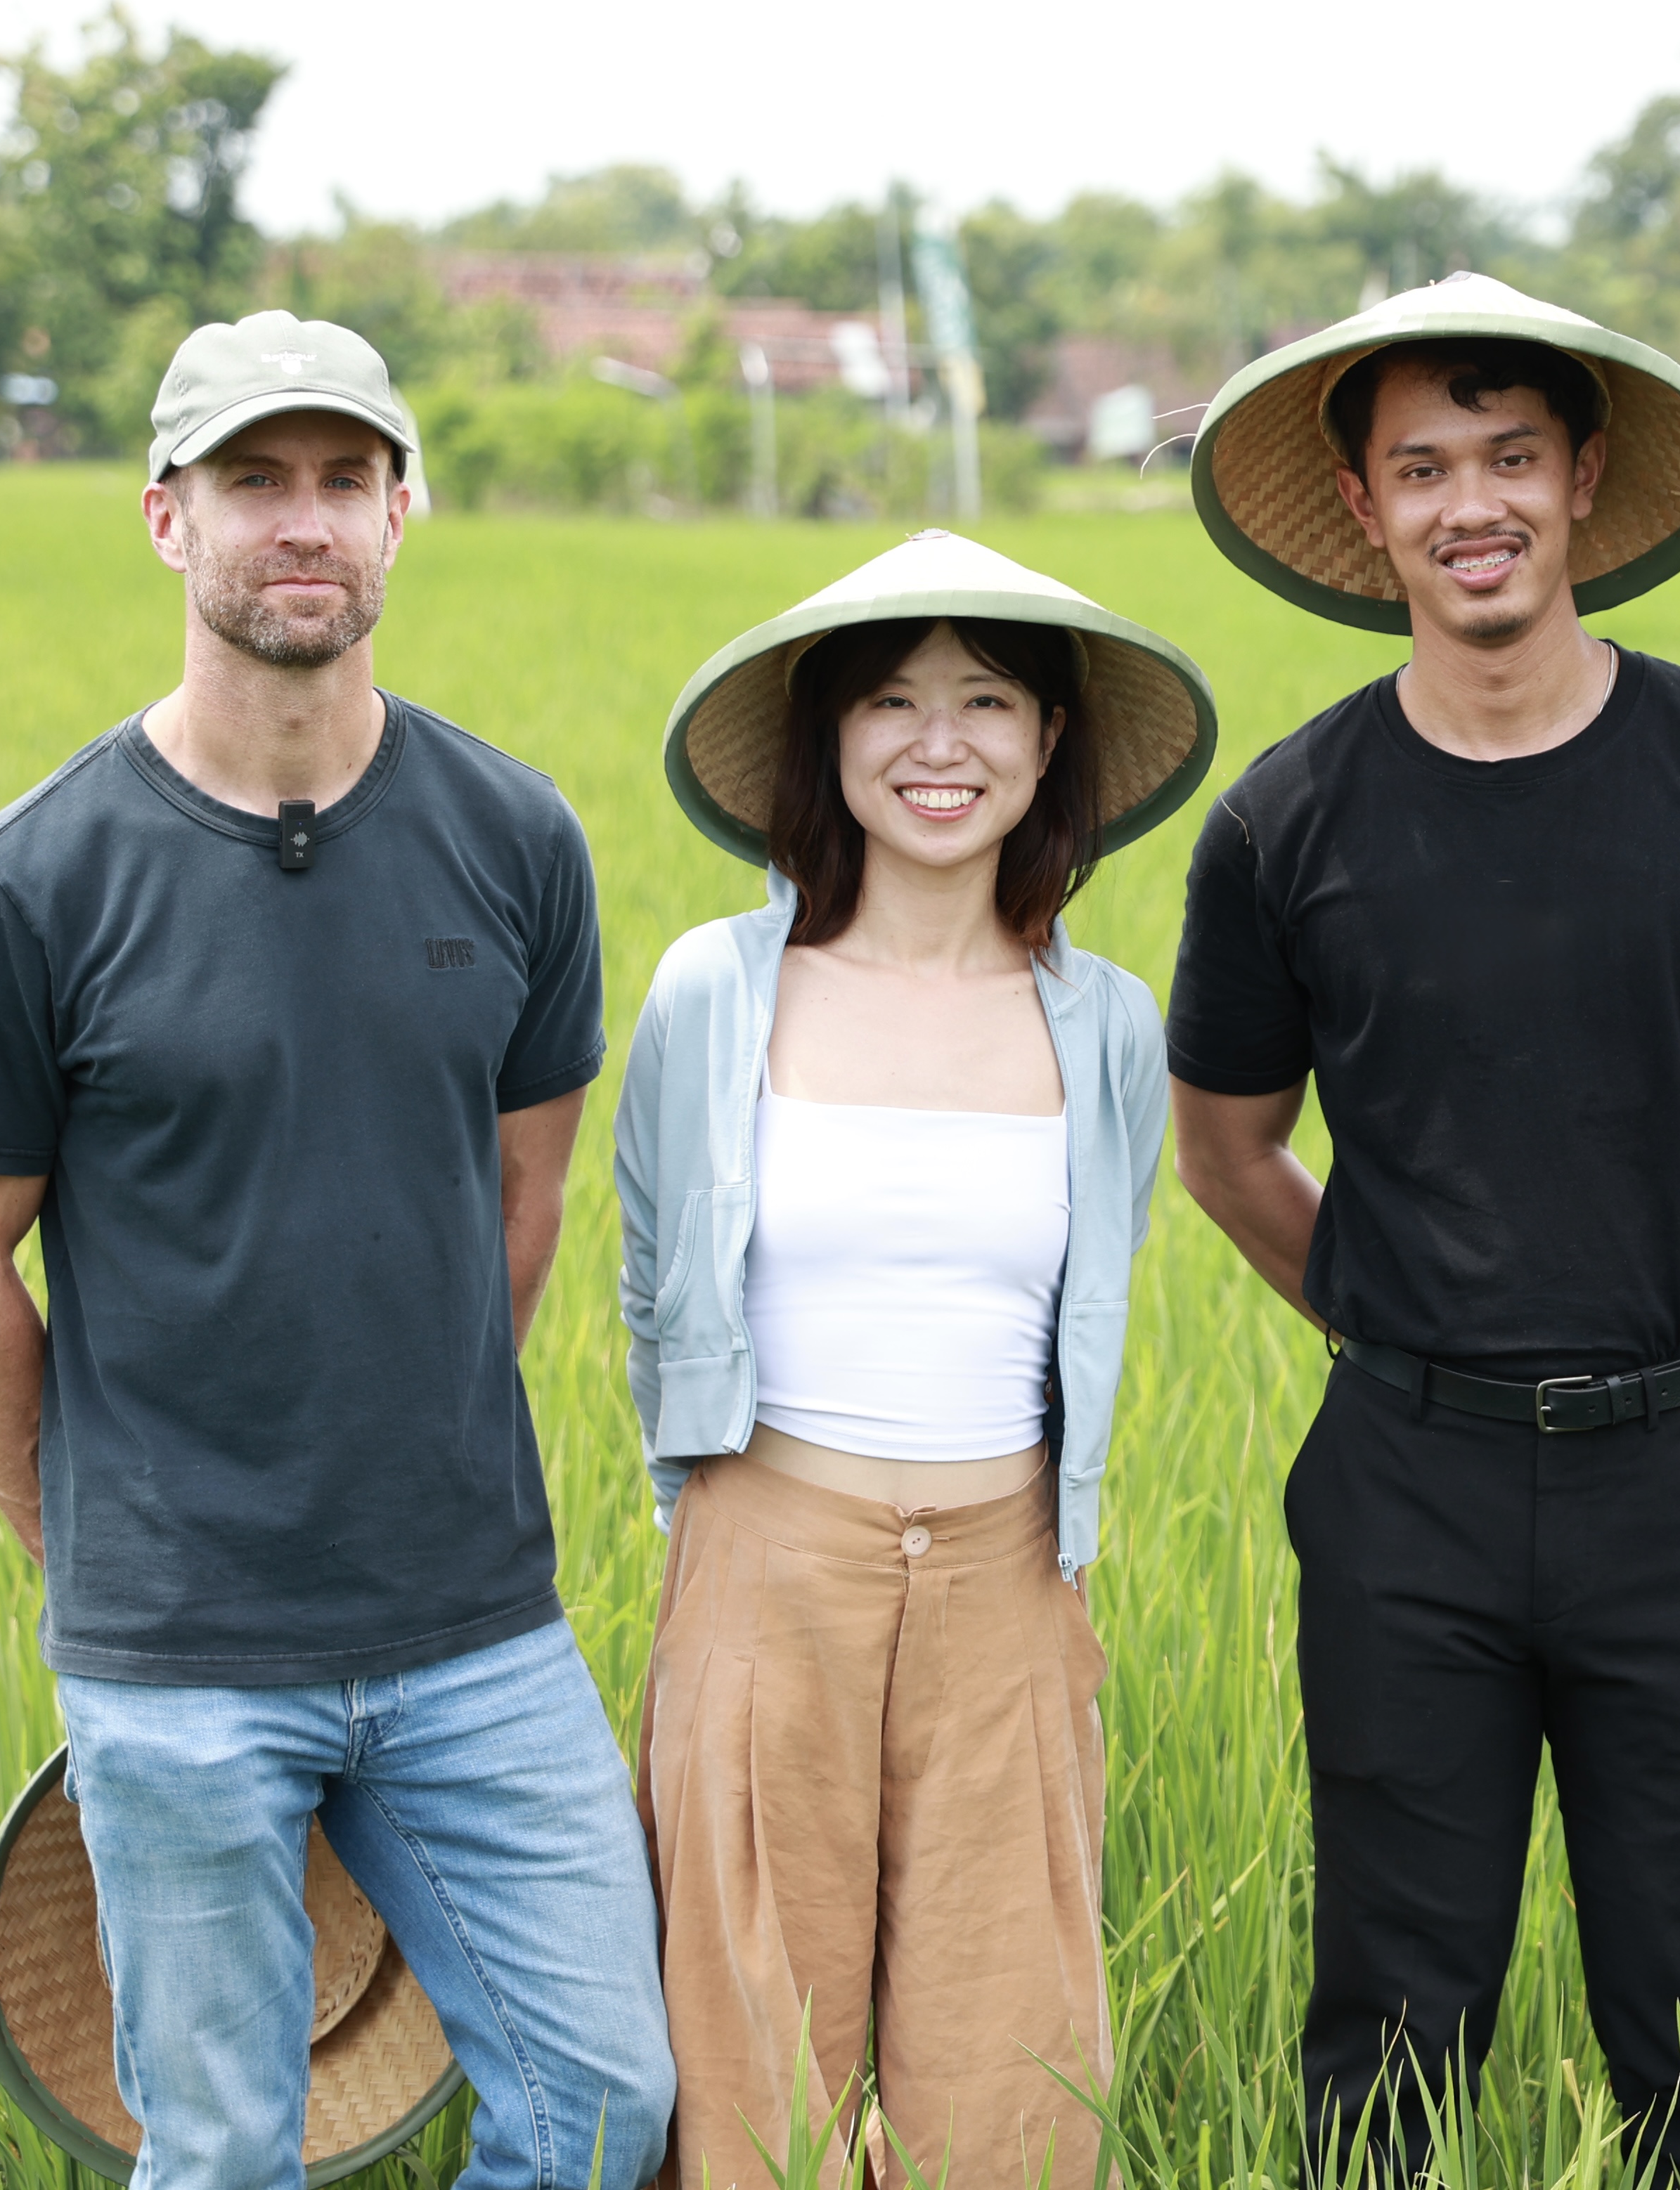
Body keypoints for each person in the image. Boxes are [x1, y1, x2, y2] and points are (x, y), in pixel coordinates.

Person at [0, 311, 672, 2190]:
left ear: (406, 512)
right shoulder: (27, 887)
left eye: (339, 480)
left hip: (476, 1627)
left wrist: (412, 1459)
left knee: (607, 2103)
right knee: (225, 2146)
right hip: (179, 1658)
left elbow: (519, 1195)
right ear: (169, 519)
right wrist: (89, 1556)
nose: (299, 521)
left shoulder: (516, 839)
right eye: (254, 481)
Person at [1168, 276, 1680, 2186]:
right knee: (1391, 2022)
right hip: (1406, 1481)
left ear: (1583, 482)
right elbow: (1232, 1149)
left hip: (1679, 1468)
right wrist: (1396, 1315)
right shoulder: (1284, 822)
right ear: (1363, 508)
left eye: (1508, 459)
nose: (1468, 504)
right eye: (1422, 469)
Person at [619, 529, 1220, 2189]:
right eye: (889, 700)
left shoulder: (1100, 1024)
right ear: (829, 739)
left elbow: (1090, 1300)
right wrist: (709, 1533)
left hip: (1008, 1576)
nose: (936, 744)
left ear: (1047, 747)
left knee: (1008, 2072)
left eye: (985, 702)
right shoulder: (714, 995)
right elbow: (650, 1265)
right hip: (765, 1565)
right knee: (747, 2070)